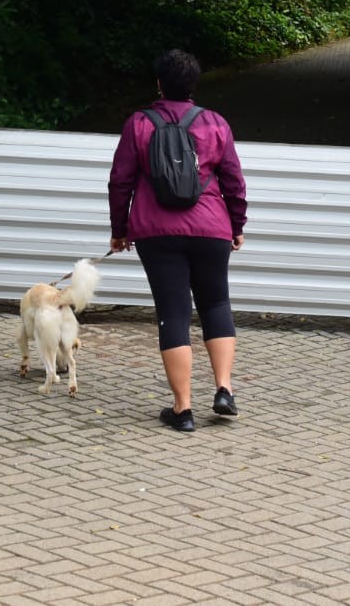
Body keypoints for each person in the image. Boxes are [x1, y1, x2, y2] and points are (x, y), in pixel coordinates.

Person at [107, 49, 247, 432]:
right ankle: (223, 389)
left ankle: (183, 410)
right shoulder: (215, 123)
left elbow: (120, 181)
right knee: (216, 303)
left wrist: (120, 230)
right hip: (211, 228)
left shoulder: (139, 123)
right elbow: (233, 180)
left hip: (156, 231)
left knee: (174, 313)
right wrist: (237, 224)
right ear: (193, 86)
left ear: (158, 84)